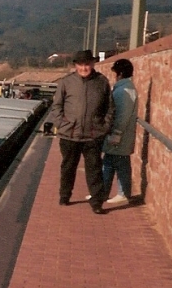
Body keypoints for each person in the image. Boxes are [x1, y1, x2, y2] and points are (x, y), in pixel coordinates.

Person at [48, 49, 114, 214]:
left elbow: (110, 108)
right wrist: (61, 125)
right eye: (81, 65)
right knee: (68, 167)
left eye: (87, 64)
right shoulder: (66, 82)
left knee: (94, 170)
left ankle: (97, 202)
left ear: (92, 64)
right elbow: (56, 106)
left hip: (93, 135)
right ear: (76, 65)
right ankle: (65, 195)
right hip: (69, 135)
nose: (84, 68)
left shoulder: (102, 82)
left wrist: (104, 127)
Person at [102, 59, 138, 204]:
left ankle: (122, 193)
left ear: (120, 73)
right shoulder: (126, 88)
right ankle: (103, 193)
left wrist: (116, 133)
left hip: (119, 136)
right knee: (112, 162)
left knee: (117, 164)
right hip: (121, 135)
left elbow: (122, 115)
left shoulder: (125, 91)